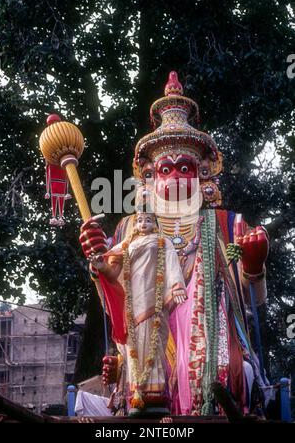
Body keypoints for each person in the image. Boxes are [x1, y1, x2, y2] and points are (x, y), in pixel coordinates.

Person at [80, 72, 269, 416]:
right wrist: (100, 267)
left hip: (213, 342)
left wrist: (254, 268)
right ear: (149, 178)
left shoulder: (227, 224)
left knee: (227, 369)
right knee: (144, 374)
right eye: (166, 169)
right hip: (151, 340)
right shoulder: (128, 230)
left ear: (203, 175)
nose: (176, 177)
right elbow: (114, 307)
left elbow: (253, 302)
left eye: (185, 167)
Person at [89, 210, 187, 416]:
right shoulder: (125, 245)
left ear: (155, 224)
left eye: (148, 220)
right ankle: (137, 396)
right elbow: (112, 272)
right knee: (133, 348)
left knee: (154, 344)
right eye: (140, 220)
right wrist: (99, 266)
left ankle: (155, 397)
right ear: (135, 224)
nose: (143, 223)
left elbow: (172, 265)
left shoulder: (163, 242)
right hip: (133, 303)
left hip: (154, 301)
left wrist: (177, 285)